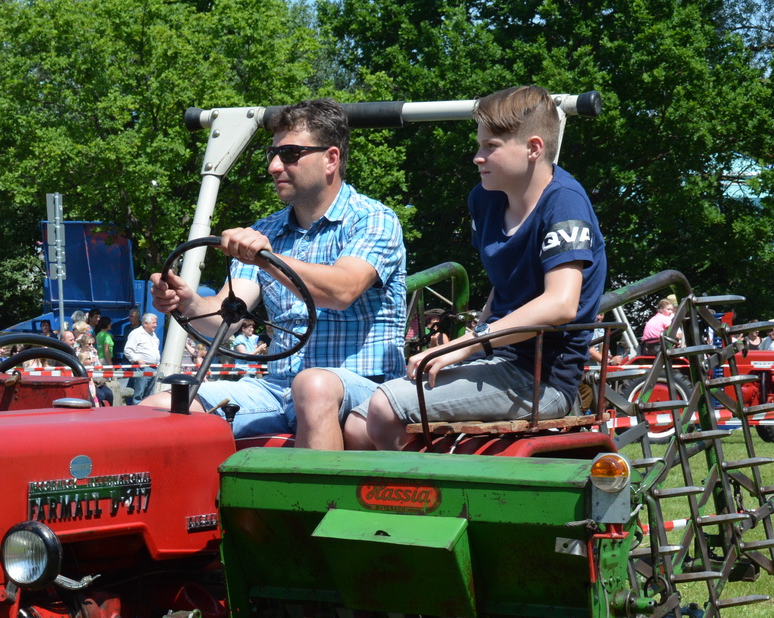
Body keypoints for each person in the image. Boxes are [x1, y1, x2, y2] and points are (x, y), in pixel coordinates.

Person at [142, 97, 407, 450]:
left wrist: (266, 259)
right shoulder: (267, 230)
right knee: (159, 408)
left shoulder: (373, 220)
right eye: (273, 154)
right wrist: (187, 303)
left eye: (290, 154)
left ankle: (317, 505)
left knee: (313, 386)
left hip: (364, 391)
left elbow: (342, 291)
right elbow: (227, 318)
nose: (274, 167)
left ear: (331, 158)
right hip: (277, 389)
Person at [352, 86, 605, 450]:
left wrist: (465, 345)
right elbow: (504, 287)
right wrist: (474, 340)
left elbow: (561, 303)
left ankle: (425, 501)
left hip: (543, 381)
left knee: (382, 406)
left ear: (534, 148)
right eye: (479, 145)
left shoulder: (565, 204)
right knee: (357, 426)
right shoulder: (484, 199)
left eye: (491, 146)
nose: (477, 157)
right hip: (497, 361)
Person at [124, 312, 162, 402]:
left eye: (156, 323)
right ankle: (135, 413)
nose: (156, 325)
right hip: (143, 368)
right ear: (145, 323)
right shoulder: (136, 334)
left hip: (154, 368)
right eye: (153, 323)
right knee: (138, 395)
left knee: (149, 395)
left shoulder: (153, 335)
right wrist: (138, 360)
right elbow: (128, 350)